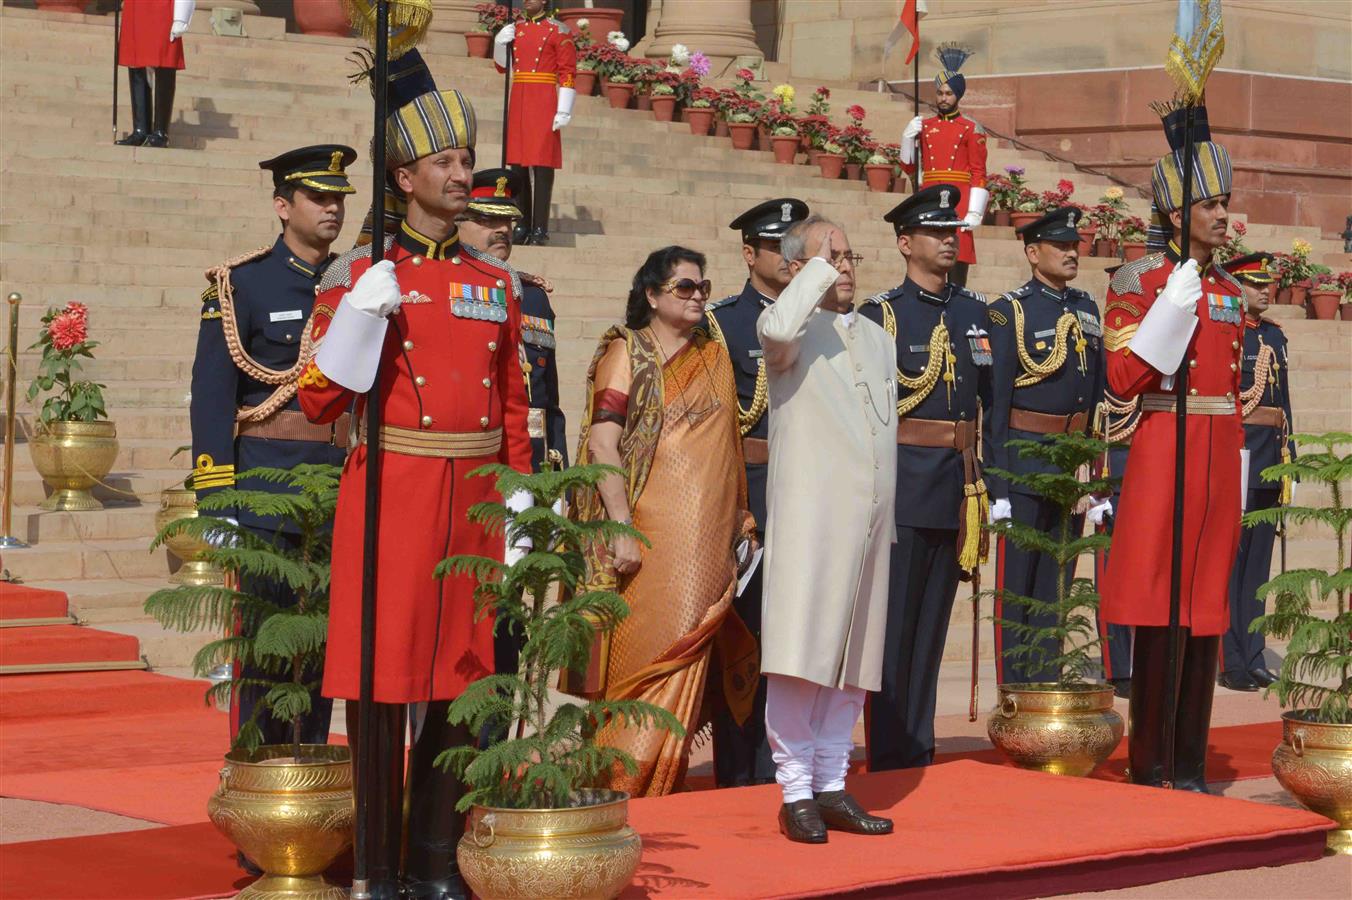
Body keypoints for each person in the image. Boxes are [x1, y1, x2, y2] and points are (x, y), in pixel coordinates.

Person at [298, 88, 532, 897]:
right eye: (446, 162)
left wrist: (521, 496)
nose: (463, 174)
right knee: (381, 674)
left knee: (461, 677)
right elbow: (320, 400)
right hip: (394, 487)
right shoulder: (362, 274)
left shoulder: (491, 284)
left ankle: (435, 857)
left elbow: (510, 404)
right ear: (403, 177)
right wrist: (360, 317)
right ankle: (375, 868)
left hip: (471, 494)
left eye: (466, 160)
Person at [569, 246, 757, 797]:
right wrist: (620, 526)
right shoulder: (628, 352)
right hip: (648, 541)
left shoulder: (715, 356)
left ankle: (665, 787)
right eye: (684, 287)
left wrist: (740, 520)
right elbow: (603, 443)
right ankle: (621, 785)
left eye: (702, 287)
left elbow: (729, 449)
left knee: (693, 653)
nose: (698, 296)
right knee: (643, 661)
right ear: (651, 296)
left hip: (708, 541)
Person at [190, 144, 356, 750]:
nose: (332, 208)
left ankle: (308, 781)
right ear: (284, 206)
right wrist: (216, 498)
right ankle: (259, 796)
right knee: (266, 650)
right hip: (268, 487)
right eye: (318, 197)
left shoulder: (355, 281)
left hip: (339, 484)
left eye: (338, 198)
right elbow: (211, 395)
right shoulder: (243, 284)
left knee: (322, 652)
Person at [1100, 101, 1243, 793]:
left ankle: (1190, 761)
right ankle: (1151, 760)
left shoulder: (1230, 288)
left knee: (1206, 604)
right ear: (1177, 211)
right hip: (1166, 447)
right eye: (1210, 204)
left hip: (1219, 453)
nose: (1223, 215)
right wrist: (1172, 306)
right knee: (1161, 604)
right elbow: (1125, 377)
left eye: (1225, 203)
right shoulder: (1141, 283)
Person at [759, 215, 897, 844]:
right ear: (798, 270)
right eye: (830, 257)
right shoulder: (786, 330)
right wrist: (813, 262)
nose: (845, 267)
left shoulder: (876, 335)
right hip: (812, 519)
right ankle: (795, 790)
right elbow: (780, 324)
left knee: (853, 662)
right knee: (801, 658)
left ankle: (833, 780)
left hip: (870, 521)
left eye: (849, 255)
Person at [859, 185, 993, 772]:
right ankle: (890, 747)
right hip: (903, 487)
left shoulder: (973, 312)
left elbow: (992, 400)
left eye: (952, 232)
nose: (948, 240)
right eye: (936, 233)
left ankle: (918, 742)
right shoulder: (881, 316)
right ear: (904, 243)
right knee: (895, 629)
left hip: (957, 485)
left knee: (933, 624)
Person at [703, 196, 809, 789]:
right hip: (751, 505)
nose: (789, 254)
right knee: (744, 645)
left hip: (806, 503)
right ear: (750, 254)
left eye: (795, 243)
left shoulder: (818, 315)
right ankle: (739, 773)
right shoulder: (722, 323)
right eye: (775, 245)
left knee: (796, 650)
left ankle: (787, 770)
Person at [456, 166, 567, 703]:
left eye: (508, 223)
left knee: (514, 618)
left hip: (531, 472)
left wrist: (558, 476)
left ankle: (500, 738)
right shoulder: (457, 287)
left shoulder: (536, 298)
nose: (500, 232)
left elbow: (550, 398)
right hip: (480, 473)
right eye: (485, 221)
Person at [986, 206, 1107, 684]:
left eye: (1074, 245)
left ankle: (1047, 682)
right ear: (1033, 253)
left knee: (1059, 582)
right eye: (1060, 246)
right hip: (1024, 461)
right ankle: (1016, 689)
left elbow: (1096, 395)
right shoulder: (1009, 310)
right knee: (1019, 585)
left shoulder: (1087, 307)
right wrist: (998, 484)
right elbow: (995, 405)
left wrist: (1094, 472)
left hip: (1071, 462)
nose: (1072, 252)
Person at [1220, 252, 1292, 692]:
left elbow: (1284, 404)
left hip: (1269, 460)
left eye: (1268, 285)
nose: (1265, 291)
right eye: (1256, 284)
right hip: (1239, 456)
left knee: (1258, 571)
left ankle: (1253, 654)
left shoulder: (1275, 337)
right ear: (1238, 288)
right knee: (1233, 564)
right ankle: (1230, 660)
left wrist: (1291, 455)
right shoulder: (1230, 334)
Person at [898, 44, 989, 287]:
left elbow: (979, 171)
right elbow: (909, 168)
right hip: (930, 194)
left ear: (958, 95)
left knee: (957, 263)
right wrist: (907, 139)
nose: (943, 98)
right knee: (927, 255)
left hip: (959, 199)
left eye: (948, 93)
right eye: (939, 93)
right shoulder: (924, 125)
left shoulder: (971, 128)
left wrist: (975, 211)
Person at [493, 0, 577, 245]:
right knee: (517, 164)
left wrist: (563, 108)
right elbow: (503, 67)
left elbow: (568, 71)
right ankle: (522, 224)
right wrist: (500, 44)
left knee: (542, 164)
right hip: (519, 97)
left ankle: (540, 227)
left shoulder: (558, 30)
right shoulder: (515, 29)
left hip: (543, 99)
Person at [1094, 384, 1139, 699]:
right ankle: (1117, 666)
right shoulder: (1105, 340)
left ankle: (1142, 662)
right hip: (1115, 461)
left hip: (1150, 462)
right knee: (1112, 573)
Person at [116, 0, 194, 147]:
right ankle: (141, 130)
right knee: (136, 60)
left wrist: (181, 17)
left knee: (164, 60)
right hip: (137, 6)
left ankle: (160, 131)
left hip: (162, 6)